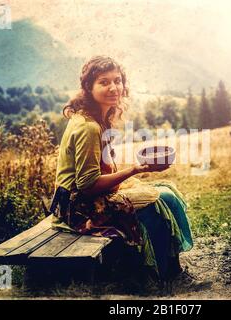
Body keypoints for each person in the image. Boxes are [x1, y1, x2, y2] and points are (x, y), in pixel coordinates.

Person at [49, 56, 205, 291]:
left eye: (118, 81)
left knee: (167, 193)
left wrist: (131, 171)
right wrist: (134, 169)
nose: (113, 88)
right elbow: (87, 185)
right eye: (104, 82)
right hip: (78, 206)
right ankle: (160, 276)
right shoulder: (88, 126)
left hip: (79, 198)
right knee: (157, 204)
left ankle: (172, 270)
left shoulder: (97, 117)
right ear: (89, 87)